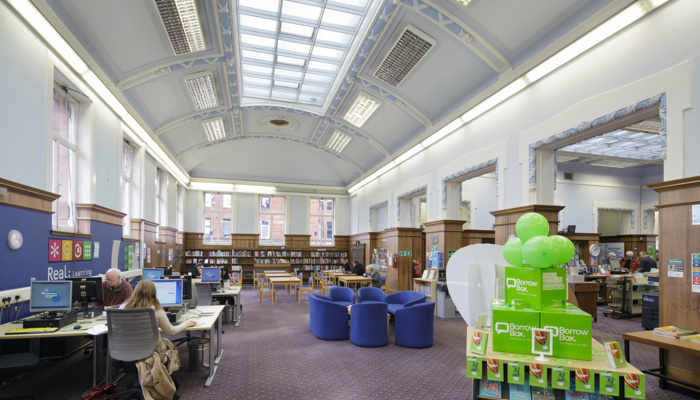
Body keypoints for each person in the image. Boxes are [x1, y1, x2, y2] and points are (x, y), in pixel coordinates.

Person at [121, 280, 196, 394]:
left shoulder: (123, 307)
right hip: (150, 352)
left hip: (126, 352)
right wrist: (185, 324)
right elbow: (171, 331)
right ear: (153, 293)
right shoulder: (156, 309)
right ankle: (163, 379)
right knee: (170, 346)